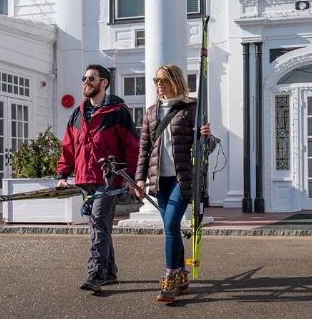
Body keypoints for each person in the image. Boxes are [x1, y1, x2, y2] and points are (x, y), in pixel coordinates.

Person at [56, 63, 139, 293]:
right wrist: (63, 173)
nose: (86, 82)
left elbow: (132, 146)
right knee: (98, 224)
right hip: (85, 178)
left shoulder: (117, 112)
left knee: (99, 225)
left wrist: (132, 178)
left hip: (109, 179)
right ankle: (110, 270)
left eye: (91, 78)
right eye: (84, 78)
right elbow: (68, 146)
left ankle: (96, 273)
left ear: (104, 83)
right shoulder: (78, 113)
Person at [135, 63, 214, 303]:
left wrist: (206, 137)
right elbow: (144, 149)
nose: (159, 85)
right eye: (156, 81)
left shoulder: (192, 109)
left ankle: (170, 277)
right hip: (160, 180)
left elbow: (206, 149)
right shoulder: (151, 112)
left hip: (182, 177)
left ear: (175, 81)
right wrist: (140, 178)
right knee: (172, 229)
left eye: (163, 80)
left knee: (170, 225)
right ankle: (181, 276)